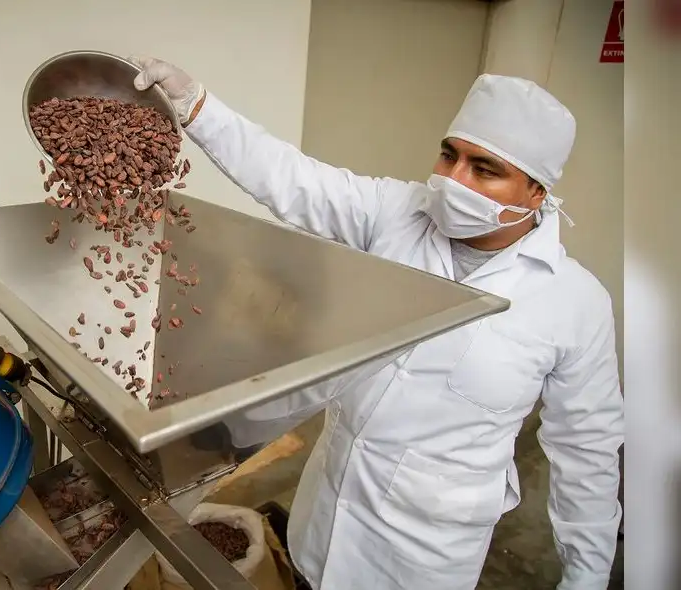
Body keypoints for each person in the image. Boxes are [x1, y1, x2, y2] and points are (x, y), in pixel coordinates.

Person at [129, 57, 624, 590]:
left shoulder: (574, 302)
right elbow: (290, 177)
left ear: (536, 193)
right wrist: (197, 106)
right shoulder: (398, 213)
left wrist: (588, 575)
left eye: (484, 169)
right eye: (449, 155)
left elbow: (587, 451)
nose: (453, 180)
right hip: (327, 507)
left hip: (425, 550)